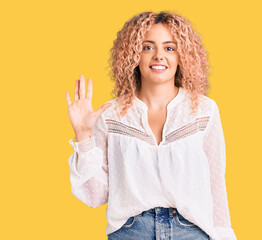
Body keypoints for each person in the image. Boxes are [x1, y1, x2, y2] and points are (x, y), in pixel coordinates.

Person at [65, 11, 237, 240]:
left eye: (169, 48)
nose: (158, 56)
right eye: (147, 47)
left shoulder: (204, 111)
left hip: (192, 232)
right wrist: (83, 135)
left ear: (182, 55)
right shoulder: (111, 115)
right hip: (131, 232)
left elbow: (216, 185)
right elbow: (95, 195)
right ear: (133, 55)